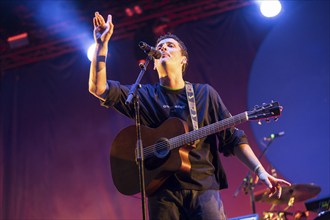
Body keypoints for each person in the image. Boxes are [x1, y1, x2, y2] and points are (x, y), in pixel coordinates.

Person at [89, 12, 291, 219]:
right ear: (155, 62)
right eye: (159, 47)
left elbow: (232, 138)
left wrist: (259, 170)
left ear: (183, 60)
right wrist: (101, 46)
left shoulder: (204, 94)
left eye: (170, 46)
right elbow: (98, 88)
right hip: (161, 193)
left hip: (203, 190)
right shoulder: (144, 95)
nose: (163, 49)